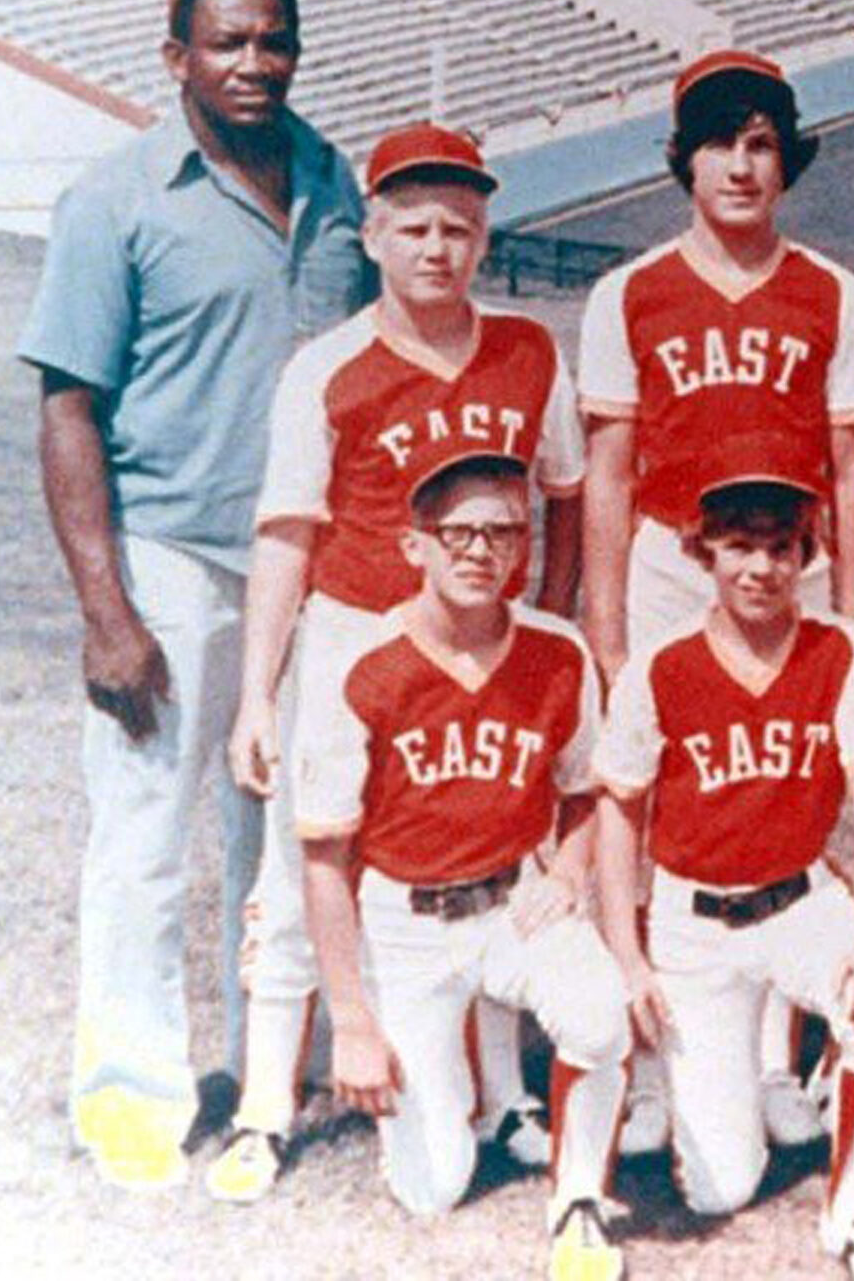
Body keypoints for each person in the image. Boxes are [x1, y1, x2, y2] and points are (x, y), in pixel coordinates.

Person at [21, 0, 371, 1189]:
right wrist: (107, 609)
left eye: (274, 37)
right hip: (170, 551)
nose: (254, 61)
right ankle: (132, 1088)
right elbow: (69, 408)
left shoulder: (341, 185)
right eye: (227, 40)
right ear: (177, 55)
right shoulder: (118, 196)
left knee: (288, 831)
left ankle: (277, 1069)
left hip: (316, 566)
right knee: (148, 836)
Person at [207, 123, 581, 1202]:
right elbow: (286, 533)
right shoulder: (326, 367)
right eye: (412, 225)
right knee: (299, 874)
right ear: (371, 234)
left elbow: (560, 495)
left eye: (458, 228)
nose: (436, 247)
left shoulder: (527, 350)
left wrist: (544, 627)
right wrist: (257, 694)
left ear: (484, 235)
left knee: (493, 855)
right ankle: (267, 1105)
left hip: (481, 639)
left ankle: (504, 1088)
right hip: (352, 635)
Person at [579, 48, 854, 1150]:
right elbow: (610, 471)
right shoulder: (630, 292)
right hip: (674, 563)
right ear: (685, 159)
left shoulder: (833, 292)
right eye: (720, 141)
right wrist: (609, 626)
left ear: (788, 159)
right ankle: (672, 1045)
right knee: (673, 796)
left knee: (786, 793)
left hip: (788, 568)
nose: (741, 164)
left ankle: (768, 1061)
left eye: (762, 142)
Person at [290, 444, 629, 1278]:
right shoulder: (357, 666)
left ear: (525, 547)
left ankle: (579, 1194)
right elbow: (327, 857)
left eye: (505, 533)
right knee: (431, 1185)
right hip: (407, 925)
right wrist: (354, 1021)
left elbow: (584, 789)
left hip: (515, 898)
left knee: (599, 1012)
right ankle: (470, 1089)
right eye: (460, 533)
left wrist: (567, 872)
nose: (482, 551)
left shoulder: (558, 651)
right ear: (417, 546)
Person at [593, 438, 854, 1276]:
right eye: (739, 543)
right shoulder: (659, 667)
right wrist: (629, 958)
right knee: (721, 1186)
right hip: (694, 922)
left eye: (781, 545)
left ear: (807, 552)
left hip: (800, 900)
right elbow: (619, 812)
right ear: (703, 550)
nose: (761, 566)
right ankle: (713, 1088)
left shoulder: (840, 648)